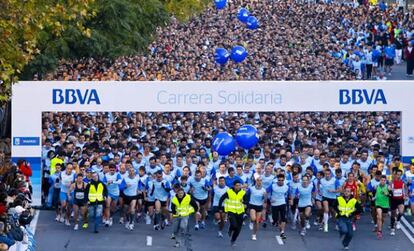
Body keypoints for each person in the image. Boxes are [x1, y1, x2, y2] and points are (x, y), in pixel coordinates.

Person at [218, 180, 248, 247]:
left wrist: (245, 204)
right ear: (234, 186)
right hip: (231, 211)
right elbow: (221, 198)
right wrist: (220, 207)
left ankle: (233, 240)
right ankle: (230, 228)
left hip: (240, 212)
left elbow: (246, 201)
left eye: (239, 185)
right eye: (237, 185)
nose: (238, 187)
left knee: (238, 229)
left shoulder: (243, 193)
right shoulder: (229, 192)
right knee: (234, 225)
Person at [268, 173, 289, 240]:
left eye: (282, 180)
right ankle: (271, 217)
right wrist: (270, 199)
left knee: (283, 218)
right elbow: (266, 192)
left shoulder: (286, 187)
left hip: (282, 203)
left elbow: (289, 194)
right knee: (275, 219)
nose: (280, 181)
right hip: (274, 204)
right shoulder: (273, 186)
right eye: (279, 180)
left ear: (284, 180)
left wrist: (290, 199)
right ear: (277, 180)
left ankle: (282, 232)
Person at [247, 176, 267, 240]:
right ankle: (251, 221)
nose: (259, 182)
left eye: (260, 180)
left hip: (259, 206)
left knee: (257, 222)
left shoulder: (264, 190)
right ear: (256, 181)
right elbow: (247, 195)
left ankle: (254, 234)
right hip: (252, 205)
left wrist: (265, 197)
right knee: (253, 218)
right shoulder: (251, 188)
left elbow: (265, 199)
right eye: (258, 180)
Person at [389, 167, 407, 236]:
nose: (399, 176)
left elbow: (405, 189)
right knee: (393, 215)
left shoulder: (403, 182)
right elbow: (389, 188)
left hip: (400, 199)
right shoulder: (392, 182)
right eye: (397, 174)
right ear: (395, 175)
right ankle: (392, 229)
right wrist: (389, 189)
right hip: (393, 200)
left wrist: (406, 195)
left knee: (401, 212)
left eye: (400, 174)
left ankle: (398, 221)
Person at [375, 175, 390, 239]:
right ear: (380, 180)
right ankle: (379, 231)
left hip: (385, 205)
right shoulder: (376, 186)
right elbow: (373, 194)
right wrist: (373, 197)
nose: (383, 181)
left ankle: (379, 226)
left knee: (382, 218)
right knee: (379, 217)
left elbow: (391, 195)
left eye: (384, 180)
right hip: (378, 204)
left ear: (385, 181)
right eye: (382, 180)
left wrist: (387, 194)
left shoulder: (388, 187)